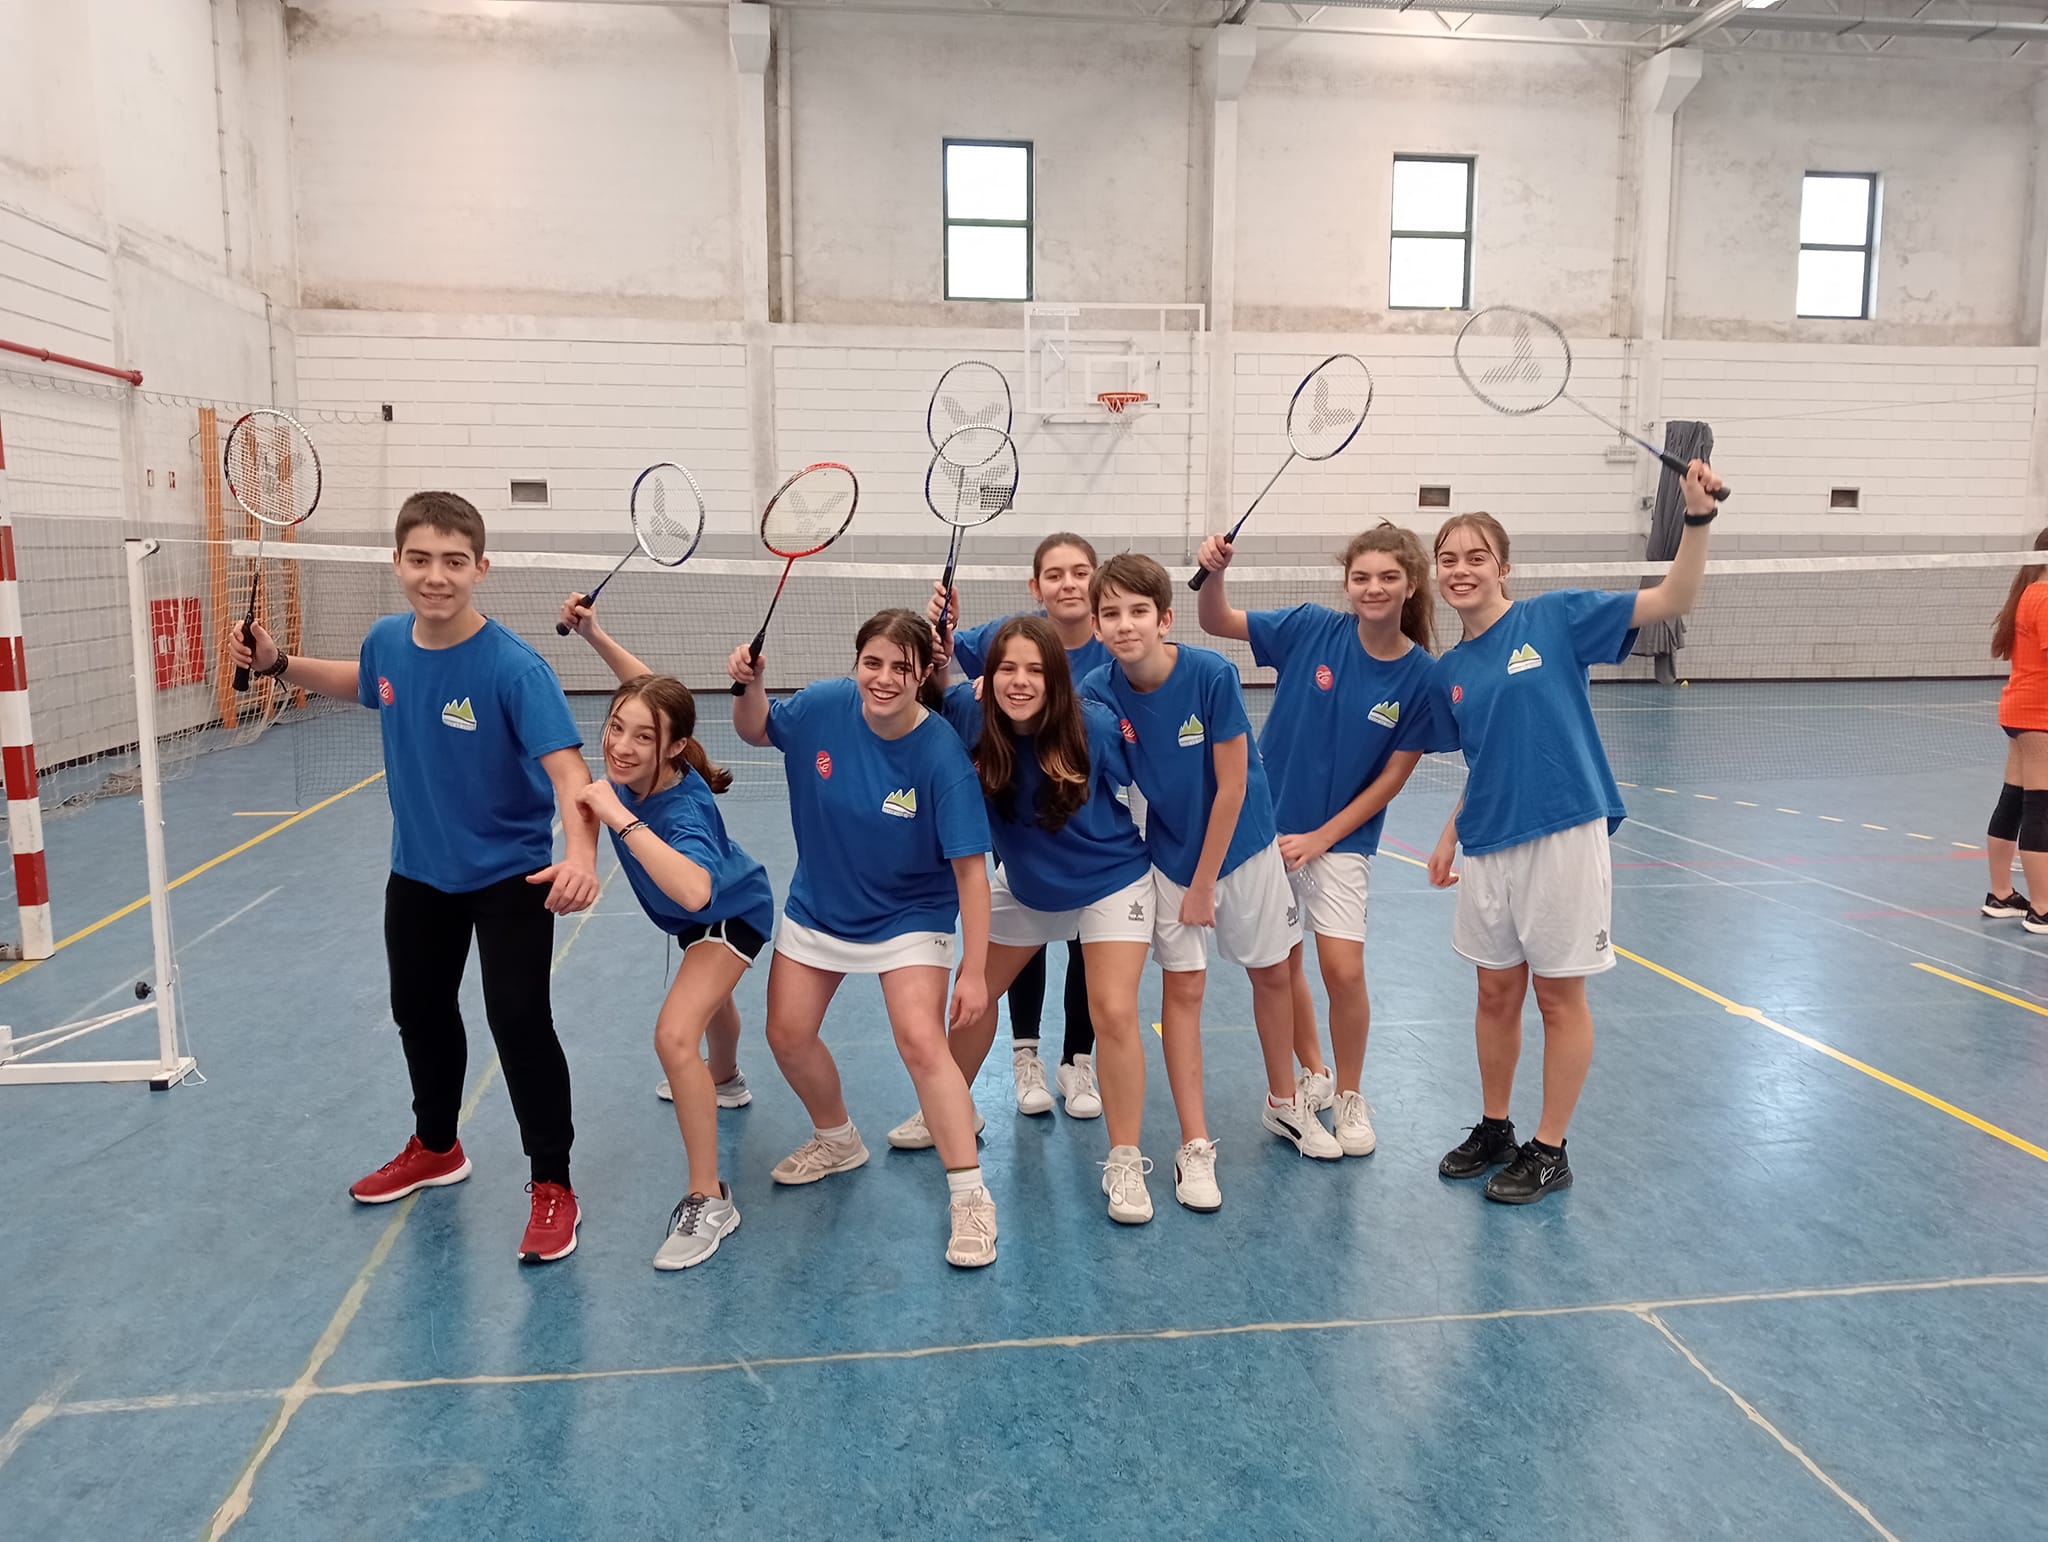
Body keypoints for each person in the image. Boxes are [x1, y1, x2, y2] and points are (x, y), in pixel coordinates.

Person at [228, 491, 598, 1263]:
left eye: (454, 561)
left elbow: (570, 774)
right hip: (420, 871)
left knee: (519, 1023)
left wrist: (580, 854)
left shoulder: (515, 669)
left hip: (512, 876)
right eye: (421, 559)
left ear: (481, 568)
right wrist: (278, 664)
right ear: (397, 562)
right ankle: (437, 1146)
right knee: (419, 1012)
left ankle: (553, 1183)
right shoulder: (387, 641)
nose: (437, 576)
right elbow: (363, 682)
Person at [1427, 459, 1726, 1205]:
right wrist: (1450, 832)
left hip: (1561, 832)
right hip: (1488, 842)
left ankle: (1550, 1148)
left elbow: (1675, 597)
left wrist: (1697, 518)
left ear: (1503, 568)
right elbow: (1484, 756)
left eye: (1475, 557)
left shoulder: (1554, 618)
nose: (1460, 570)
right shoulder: (1451, 669)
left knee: (1558, 1000)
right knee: (1494, 994)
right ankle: (1496, 1127)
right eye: (1448, 559)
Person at [728, 608, 999, 1267]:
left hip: (910, 914)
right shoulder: (823, 706)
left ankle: (970, 1196)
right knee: (787, 1034)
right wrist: (750, 684)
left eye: (901, 667)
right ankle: (837, 1139)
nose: (883, 678)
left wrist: (974, 969)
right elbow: (755, 729)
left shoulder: (940, 755)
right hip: (822, 902)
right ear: (856, 663)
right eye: (872, 662)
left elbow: (972, 871)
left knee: (921, 1041)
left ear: (923, 674)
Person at [1082, 552, 1342, 1215]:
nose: (1124, 624)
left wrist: (1205, 884)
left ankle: (1283, 1102)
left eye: (1138, 611)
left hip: (1244, 847)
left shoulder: (1211, 674)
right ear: (1097, 624)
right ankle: (1194, 1144)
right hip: (1169, 854)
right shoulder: (1098, 691)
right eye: (1110, 613)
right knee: (1185, 991)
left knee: (1272, 975)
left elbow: (1231, 788)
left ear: (1165, 619)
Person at [887, 616, 1159, 1222]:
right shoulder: (970, 714)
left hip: (1111, 883)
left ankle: (1124, 1158)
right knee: (972, 1001)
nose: (1020, 681)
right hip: (1026, 886)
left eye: (1035, 670)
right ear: (987, 676)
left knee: (1114, 1011)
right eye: (1007, 668)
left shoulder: (1091, 726)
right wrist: (933, 659)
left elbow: (1151, 784)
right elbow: (911, 707)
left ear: (1056, 678)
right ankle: (948, 1108)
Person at [1195, 521, 1446, 1158]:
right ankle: (1314, 1073)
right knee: (1281, 964)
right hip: (1265, 826)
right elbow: (1216, 619)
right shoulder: (1310, 628)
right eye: (1361, 577)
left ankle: (1352, 1095)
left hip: (1342, 841)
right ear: (1347, 582)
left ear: (1411, 584)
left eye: (1388, 577)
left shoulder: (1422, 677)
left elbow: (1392, 778)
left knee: (1342, 969)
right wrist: (1215, 571)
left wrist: (1321, 838)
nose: (1373, 588)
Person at [558, 598, 776, 1271]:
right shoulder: (652, 745)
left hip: (730, 913)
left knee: (675, 1035)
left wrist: (615, 816)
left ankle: (709, 1198)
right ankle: (727, 1079)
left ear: (674, 746)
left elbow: (695, 891)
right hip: (695, 918)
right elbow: (648, 692)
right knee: (714, 1007)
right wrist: (595, 633)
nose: (621, 747)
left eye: (642, 738)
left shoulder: (681, 810)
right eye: (615, 728)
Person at [930, 534, 1108, 1121]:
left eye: (1080, 572)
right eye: (1054, 574)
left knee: (1087, 951)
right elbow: (945, 674)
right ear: (1036, 587)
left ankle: (1078, 1060)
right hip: (1023, 838)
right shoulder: (1008, 636)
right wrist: (944, 640)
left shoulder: (1114, 647)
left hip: (1090, 839)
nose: (1068, 583)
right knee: (1021, 942)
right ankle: (1023, 1056)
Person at [1985, 528, 2048, 932]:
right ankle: (2043, 908)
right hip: (2039, 715)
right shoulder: (2045, 598)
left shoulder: (2029, 593)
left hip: (2020, 709)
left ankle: (2001, 894)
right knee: (2041, 806)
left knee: (2014, 800)